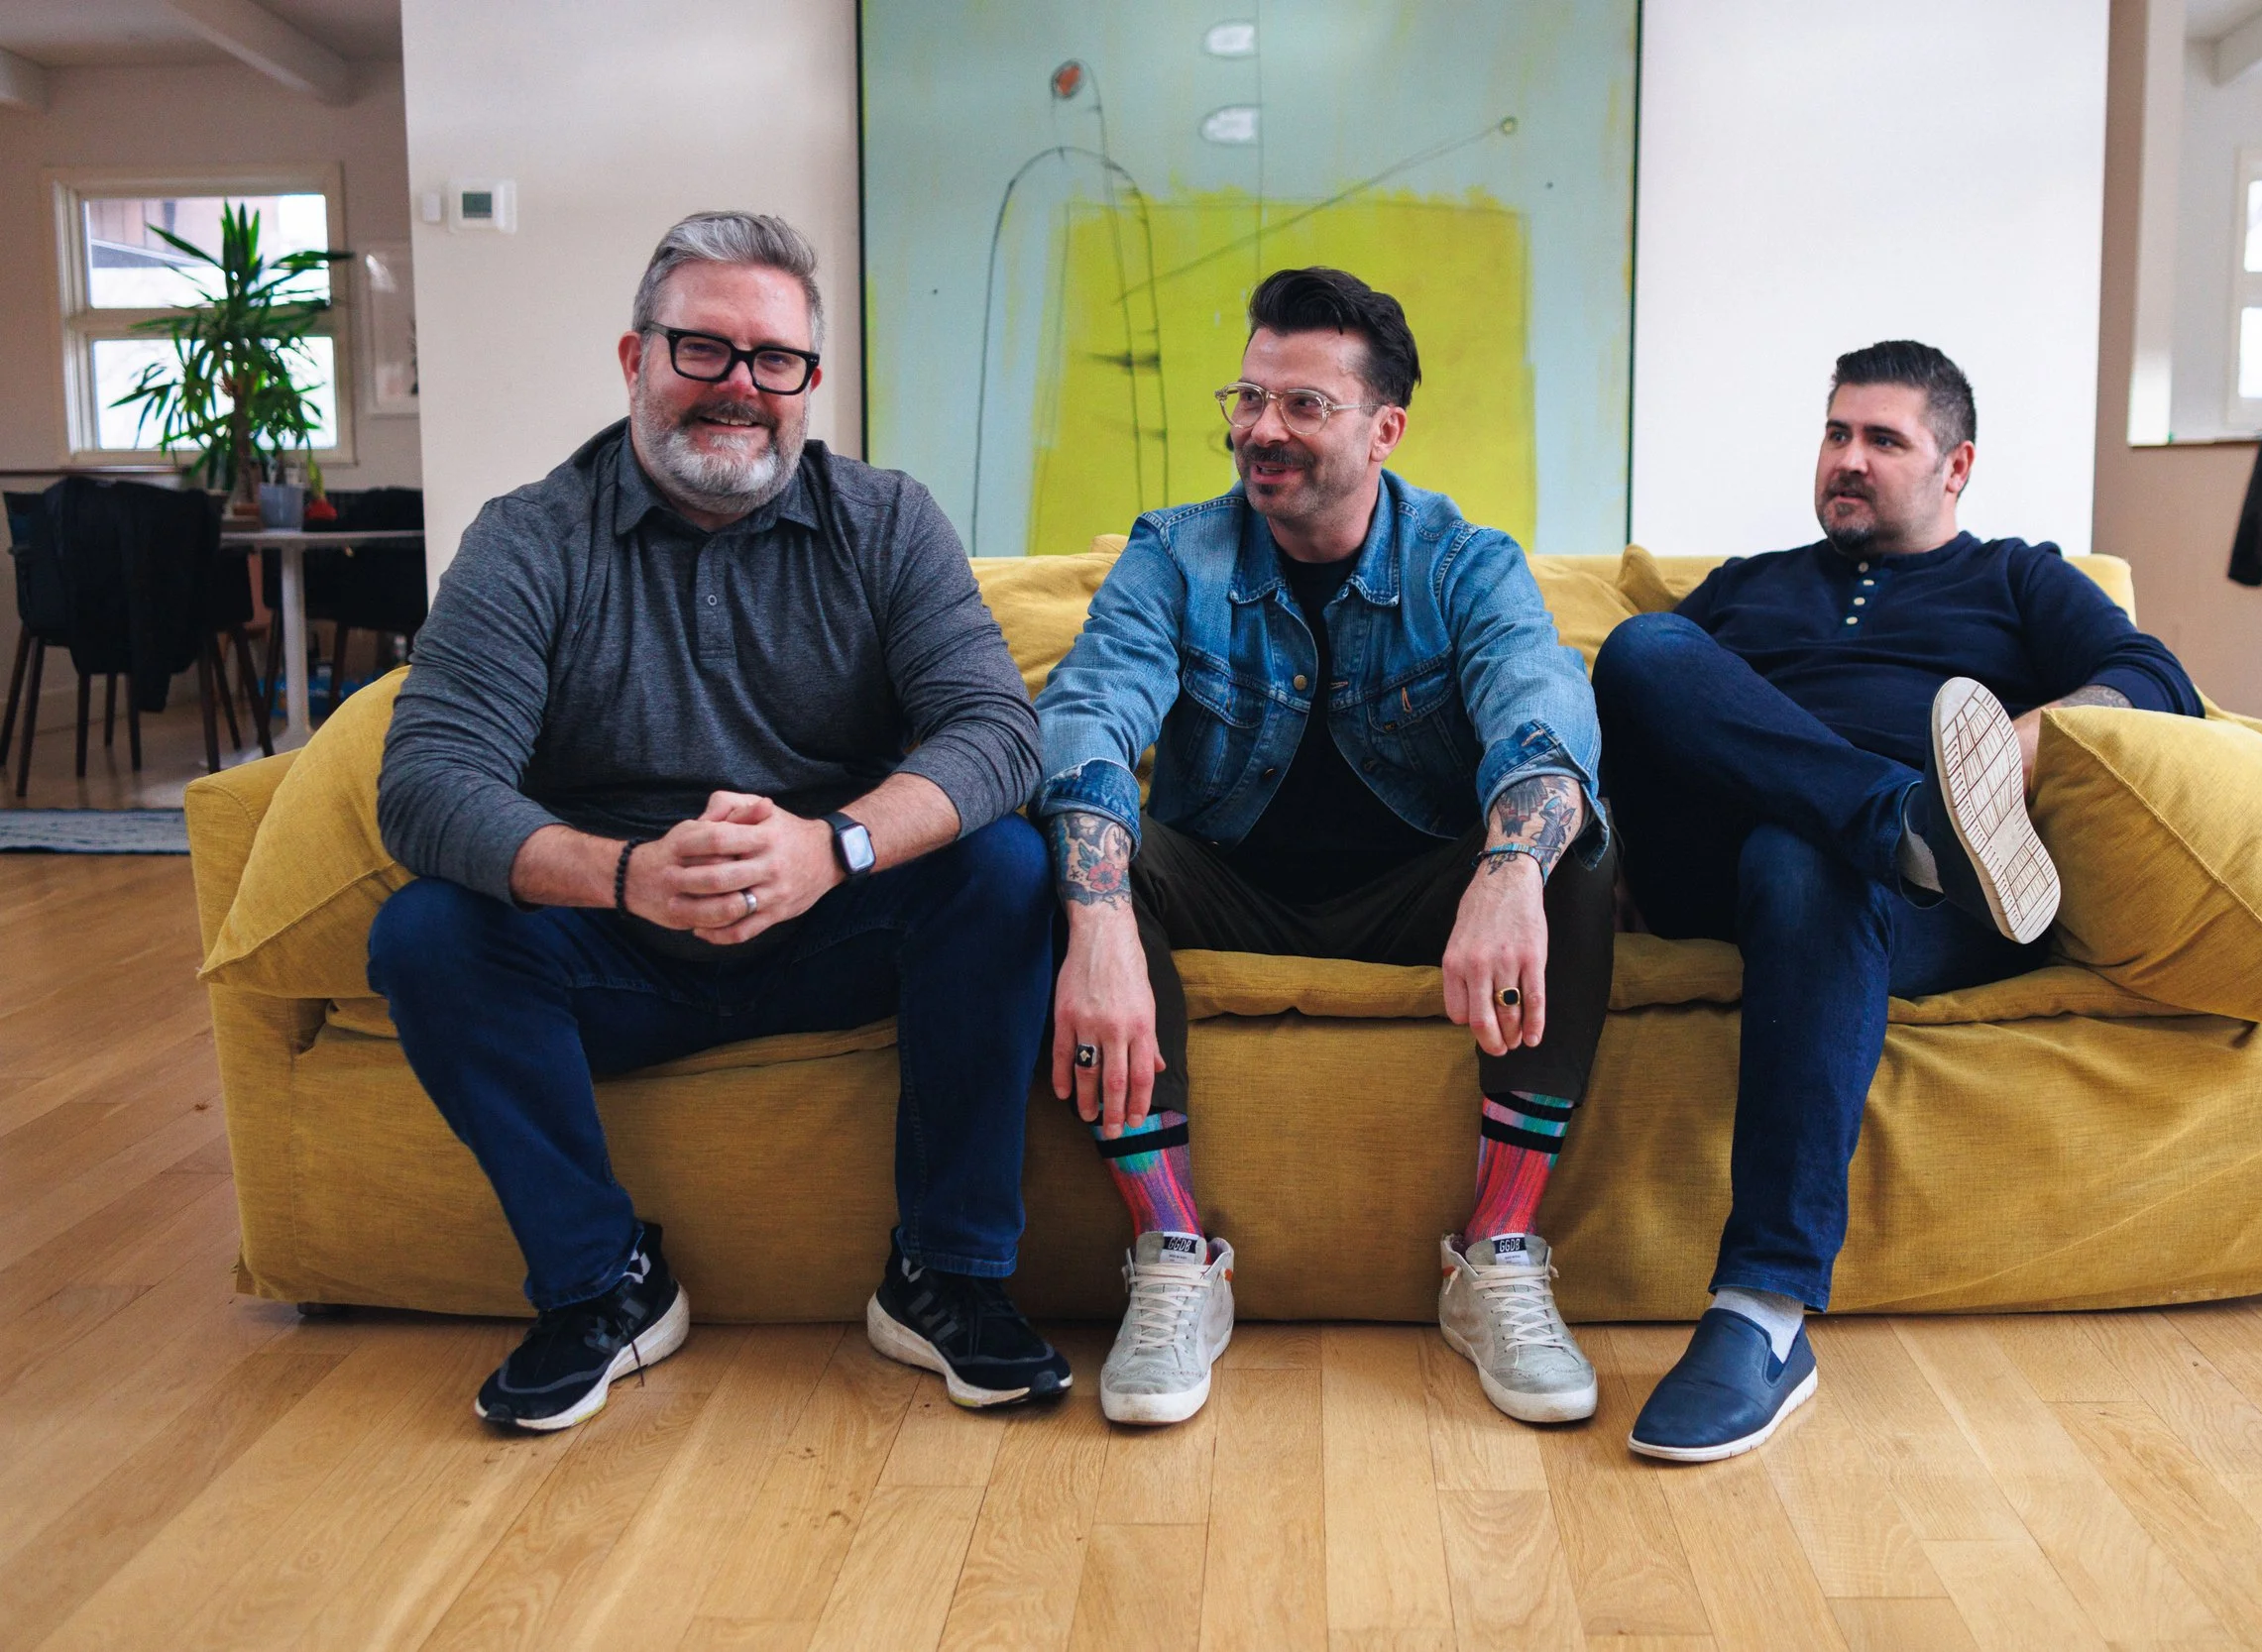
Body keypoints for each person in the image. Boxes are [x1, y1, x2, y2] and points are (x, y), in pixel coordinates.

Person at [369, 211, 1071, 1432]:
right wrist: (625, 873)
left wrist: (832, 847)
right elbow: (427, 780)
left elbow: (998, 732)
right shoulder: (528, 537)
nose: (740, 384)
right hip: (613, 943)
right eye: (703, 349)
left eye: (775, 358)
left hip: (837, 924)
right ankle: (600, 1284)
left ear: (808, 380)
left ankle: (945, 1275)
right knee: (426, 932)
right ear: (635, 358)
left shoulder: (887, 520)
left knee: (1004, 867)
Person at [1593, 340, 2204, 1462]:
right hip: (1719, 869)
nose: (1849, 458)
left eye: (1884, 439)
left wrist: (2016, 747)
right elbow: (1637, 714)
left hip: (1925, 906)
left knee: (1805, 855)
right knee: (1642, 648)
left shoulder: (2018, 579)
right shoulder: (1751, 584)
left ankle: (1762, 1315)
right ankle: (1895, 818)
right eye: (1837, 433)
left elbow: (2160, 683)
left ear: (1955, 466)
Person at [1035, 267, 1616, 1428]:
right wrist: (1095, 918)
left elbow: (1540, 712)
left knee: (1573, 844)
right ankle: (1173, 1250)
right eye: (1249, 398)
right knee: (1077, 849)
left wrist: (1510, 867)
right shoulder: (1173, 554)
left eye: (1303, 404)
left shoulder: (1464, 560)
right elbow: (1088, 715)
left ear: (1383, 429)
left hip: (1415, 890)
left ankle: (1497, 1251)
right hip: (1227, 883)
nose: (1262, 430)